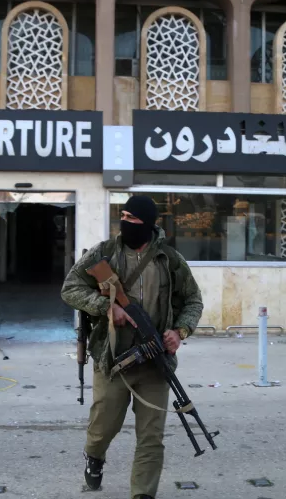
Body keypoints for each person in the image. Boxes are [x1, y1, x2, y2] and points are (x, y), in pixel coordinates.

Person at [61, 195, 204, 499]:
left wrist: (180, 331)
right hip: (111, 360)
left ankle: (142, 493)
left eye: (133, 218)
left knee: (151, 438)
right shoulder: (105, 253)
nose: (126, 223)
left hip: (155, 362)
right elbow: (70, 288)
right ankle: (94, 456)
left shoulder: (169, 259)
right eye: (123, 216)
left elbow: (192, 300)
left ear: (149, 224)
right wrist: (106, 307)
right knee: (103, 429)